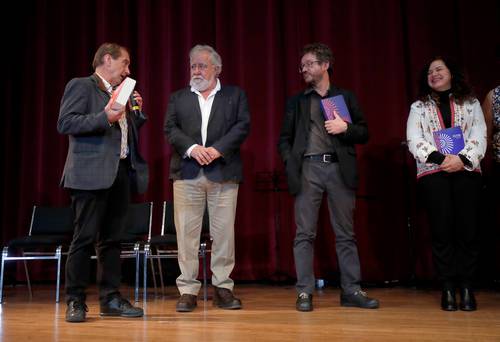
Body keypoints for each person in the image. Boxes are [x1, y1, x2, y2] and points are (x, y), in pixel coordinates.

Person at [278, 43, 379, 312]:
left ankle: (351, 290)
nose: (304, 69)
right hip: (308, 169)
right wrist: (291, 162)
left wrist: (345, 128)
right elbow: (284, 139)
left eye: (309, 63)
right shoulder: (298, 102)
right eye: (302, 66)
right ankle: (304, 292)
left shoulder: (344, 97)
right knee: (304, 234)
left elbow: (364, 132)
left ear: (325, 65)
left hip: (338, 169)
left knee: (345, 233)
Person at [57, 42, 148, 322]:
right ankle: (76, 301)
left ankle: (110, 299)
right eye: (125, 63)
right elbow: (66, 123)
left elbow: (122, 133)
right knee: (83, 239)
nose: (128, 70)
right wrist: (104, 117)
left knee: (112, 240)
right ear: (107, 60)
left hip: (119, 172)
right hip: (89, 174)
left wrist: (137, 115)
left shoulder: (120, 92)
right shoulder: (82, 85)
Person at [164, 44, 250, 312]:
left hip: (223, 172)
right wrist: (192, 149)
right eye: (193, 66)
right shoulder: (178, 97)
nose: (197, 70)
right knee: (186, 235)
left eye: (202, 65)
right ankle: (188, 290)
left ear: (217, 68)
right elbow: (170, 128)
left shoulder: (235, 95)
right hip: (187, 173)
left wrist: (216, 149)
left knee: (223, 235)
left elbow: (242, 126)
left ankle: (223, 288)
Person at [406, 56, 486, 311]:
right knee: (442, 231)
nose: (434, 74)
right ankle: (448, 288)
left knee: (467, 230)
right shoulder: (418, 107)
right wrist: (443, 159)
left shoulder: (471, 103)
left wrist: (461, 160)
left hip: (467, 171)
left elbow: (479, 135)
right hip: (433, 173)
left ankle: (467, 287)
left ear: (452, 73)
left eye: (439, 69)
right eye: (430, 71)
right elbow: (414, 138)